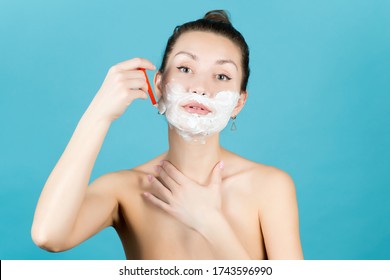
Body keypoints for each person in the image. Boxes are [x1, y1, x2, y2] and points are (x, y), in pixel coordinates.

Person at [31, 10, 303, 260]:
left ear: (239, 103)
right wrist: (98, 114)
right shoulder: (126, 190)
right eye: (185, 69)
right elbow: (48, 236)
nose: (200, 87)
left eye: (221, 76)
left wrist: (209, 221)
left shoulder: (270, 187)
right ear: (159, 86)